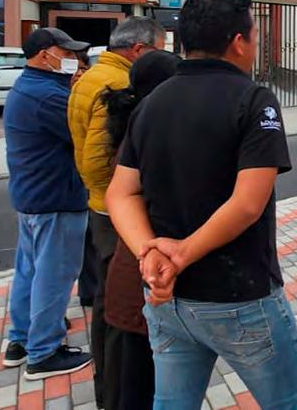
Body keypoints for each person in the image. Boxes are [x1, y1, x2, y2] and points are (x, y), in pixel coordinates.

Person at [105, 0, 297, 408]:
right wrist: (178, 254)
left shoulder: (151, 103)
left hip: (167, 300)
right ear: (238, 42)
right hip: (239, 297)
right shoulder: (254, 100)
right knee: (288, 403)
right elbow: (248, 203)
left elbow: (120, 194)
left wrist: (149, 253)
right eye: (254, 36)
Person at [67, 17, 165, 407]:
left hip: (102, 204)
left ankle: (109, 381)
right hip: (113, 212)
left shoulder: (90, 76)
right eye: (157, 49)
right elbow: (96, 159)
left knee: (108, 296)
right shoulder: (116, 83)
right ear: (139, 50)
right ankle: (112, 386)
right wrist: (119, 197)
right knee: (117, 302)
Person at [1, 27, 94, 380]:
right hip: (56, 198)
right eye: (67, 54)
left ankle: (21, 339)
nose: (73, 61)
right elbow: (85, 134)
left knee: (30, 270)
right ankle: (44, 352)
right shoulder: (48, 97)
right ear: (45, 55)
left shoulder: (29, 87)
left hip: (32, 196)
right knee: (54, 276)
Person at [99, 50, 181, 410]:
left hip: (136, 282)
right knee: (133, 388)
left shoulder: (138, 123)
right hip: (139, 287)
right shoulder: (148, 132)